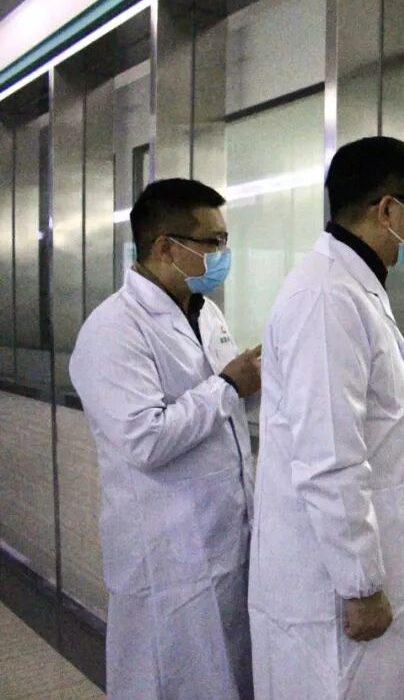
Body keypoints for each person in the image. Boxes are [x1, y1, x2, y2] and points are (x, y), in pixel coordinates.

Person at [249, 136, 404, 700]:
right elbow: (328, 456)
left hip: (361, 572)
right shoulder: (327, 299)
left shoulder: (352, 288)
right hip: (332, 589)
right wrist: (360, 585)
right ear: (387, 210)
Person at [69, 178, 260, 699]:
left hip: (223, 537)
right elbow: (145, 440)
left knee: (225, 675)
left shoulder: (204, 312)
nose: (222, 254)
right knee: (165, 679)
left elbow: (224, 408)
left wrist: (258, 380)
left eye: (224, 241)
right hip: (167, 552)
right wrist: (228, 386)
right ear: (165, 247)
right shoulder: (113, 329)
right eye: (212, 242)